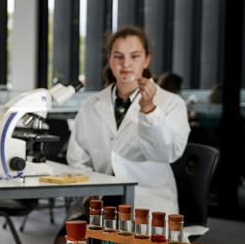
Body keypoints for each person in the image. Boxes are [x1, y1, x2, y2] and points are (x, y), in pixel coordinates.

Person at [67, 26, 190, 215]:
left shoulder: (171, 103)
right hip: (102, 202)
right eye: (118, 56)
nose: (125, 64)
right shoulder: (91, 104)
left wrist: (149, 111)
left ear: (147, 59)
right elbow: (77, 157)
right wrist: (88, 195)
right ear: (109, 60)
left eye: (134, 56)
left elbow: (166, 153)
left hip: (147, 203)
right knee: (64, 243)